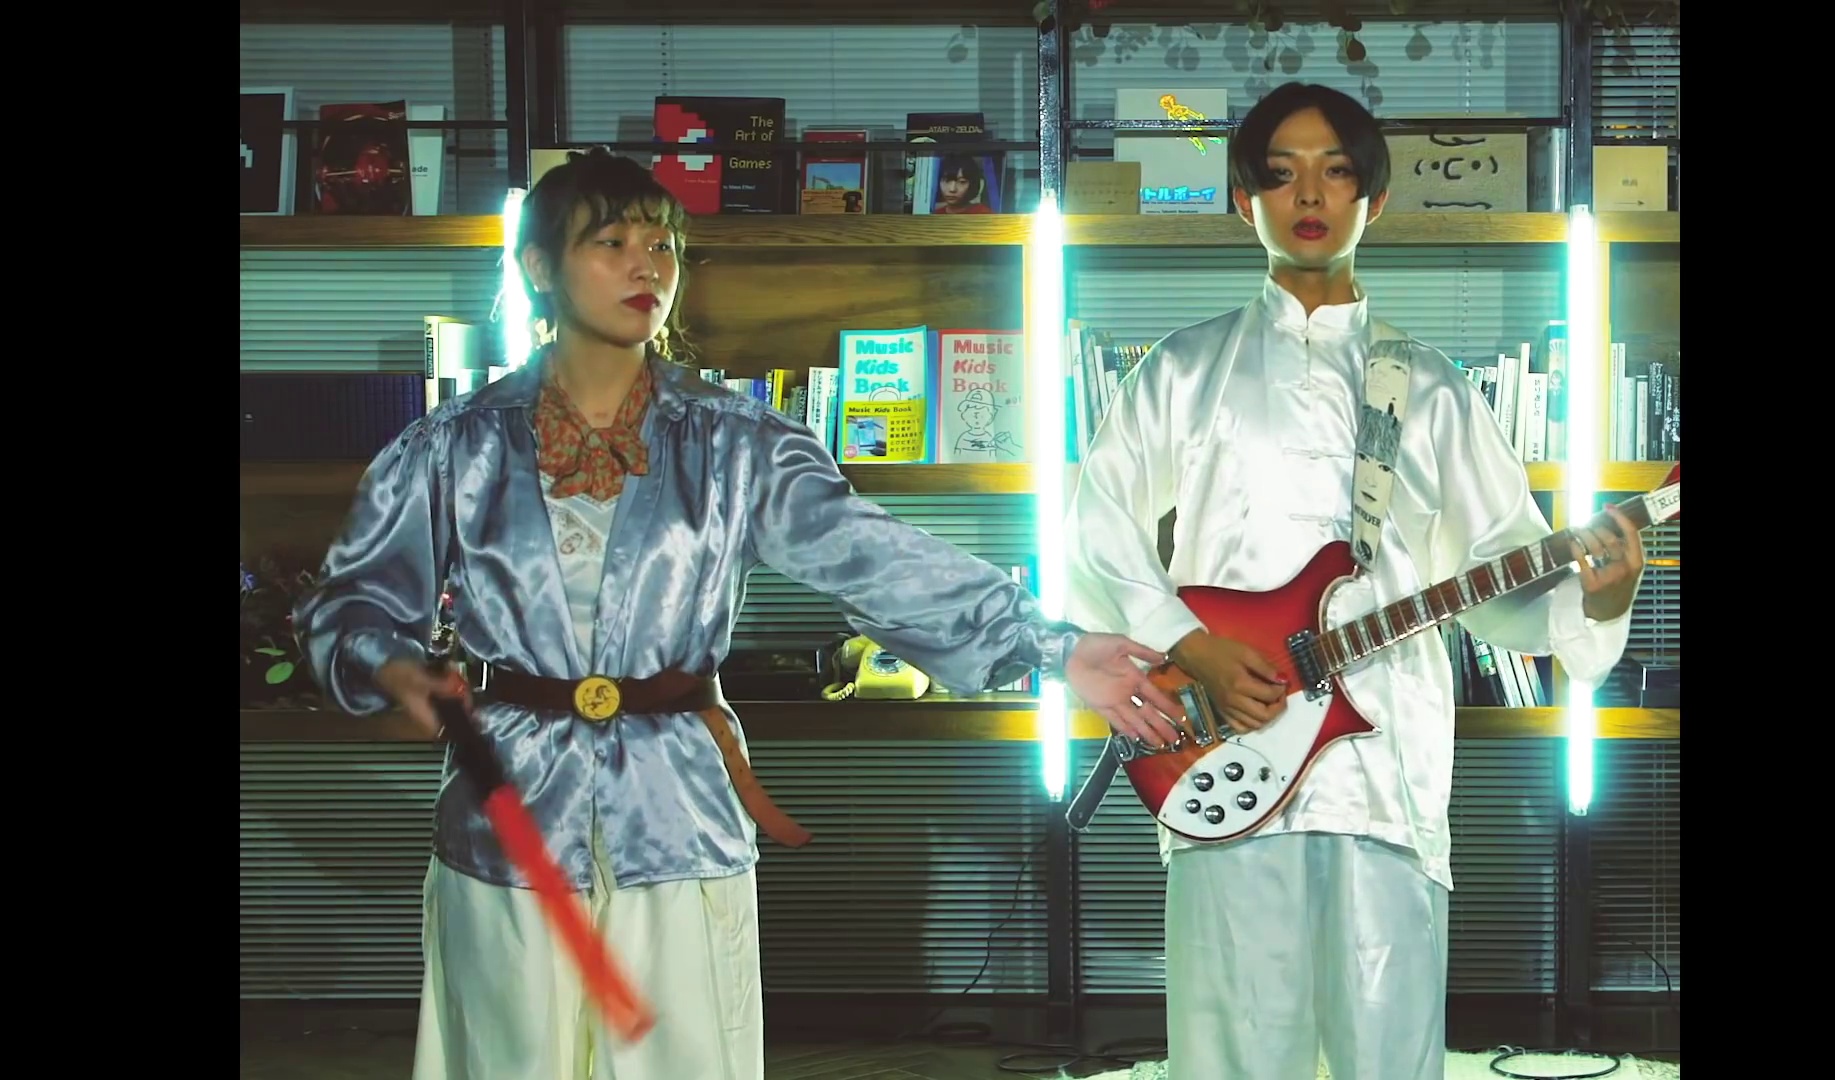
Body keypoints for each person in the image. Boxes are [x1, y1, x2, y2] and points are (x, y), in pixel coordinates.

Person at [293, 146, 1181, 1080]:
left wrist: (1049, 644)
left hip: (675, 809)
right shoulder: (451, 447)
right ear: (538, 266)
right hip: (506, 811)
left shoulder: (736, 442)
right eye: (611, 242)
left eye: (663, 246)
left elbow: (871, 555)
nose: (646, 266)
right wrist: (385, 663)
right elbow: (349, 605)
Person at [1061, 84, 1645, 1080]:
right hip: (1227, 742)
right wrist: (1192, 644)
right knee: (1235, 1043)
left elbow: (1498, 575)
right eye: (1280, 173)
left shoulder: (1434, 389)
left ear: (1373, 198)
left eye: (1335, 171)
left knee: (1389, 1042)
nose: (1309, 194)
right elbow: (1096, 530)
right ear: (1243, 200)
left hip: (1386, 763)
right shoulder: (1181, 371)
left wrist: (1600, 596)